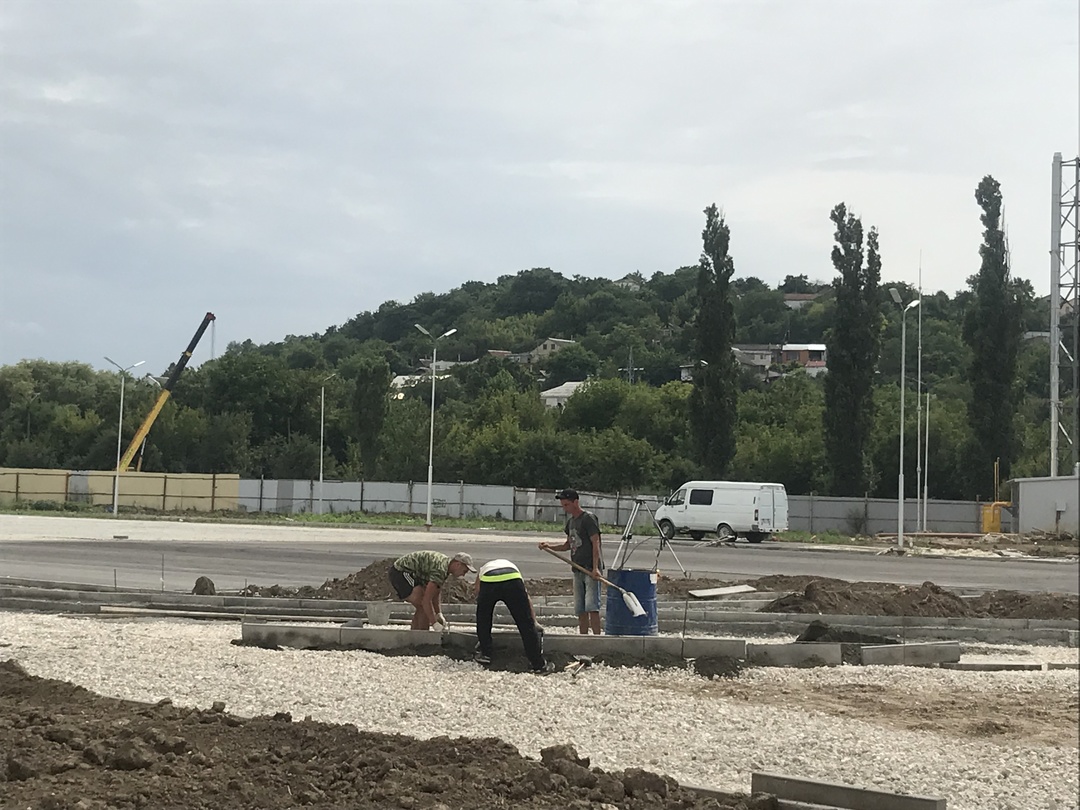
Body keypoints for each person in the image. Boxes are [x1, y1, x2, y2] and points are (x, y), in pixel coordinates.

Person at [472, 558, 555, 674]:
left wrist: (482, 603)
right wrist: (533, 622)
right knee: (525, 623)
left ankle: (485, 654)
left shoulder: (483, 569)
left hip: (489, 579)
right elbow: (526, 599)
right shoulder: (514, 570)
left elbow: (477, 590)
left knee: (483, 619)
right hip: (512, 580)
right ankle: (538, 664)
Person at [539, 488, 603, 635]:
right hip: (577, 569)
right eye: (563, 505)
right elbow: (568, 545)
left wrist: (595, 568)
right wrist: (549, 546)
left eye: (567, 504)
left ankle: (597, 639)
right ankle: (583, 638)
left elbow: (596, 543)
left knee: (592, 607)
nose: (565, 508)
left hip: (590, 569)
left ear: (576, 502)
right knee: (580, 609)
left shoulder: (588, 519)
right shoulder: (571, 523)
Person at [388, 550, 476, 630]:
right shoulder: (440, 570)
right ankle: (422, 637)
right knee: (423, 606)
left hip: (415, 574)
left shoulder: (445, 567)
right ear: (458, 565)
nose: (463, 575)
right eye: (464, 571)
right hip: (401, 572)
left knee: (423, 607)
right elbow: (426, 601)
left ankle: (415, 635)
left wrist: (438, 614)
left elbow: (435, 592)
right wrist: (434, 623)